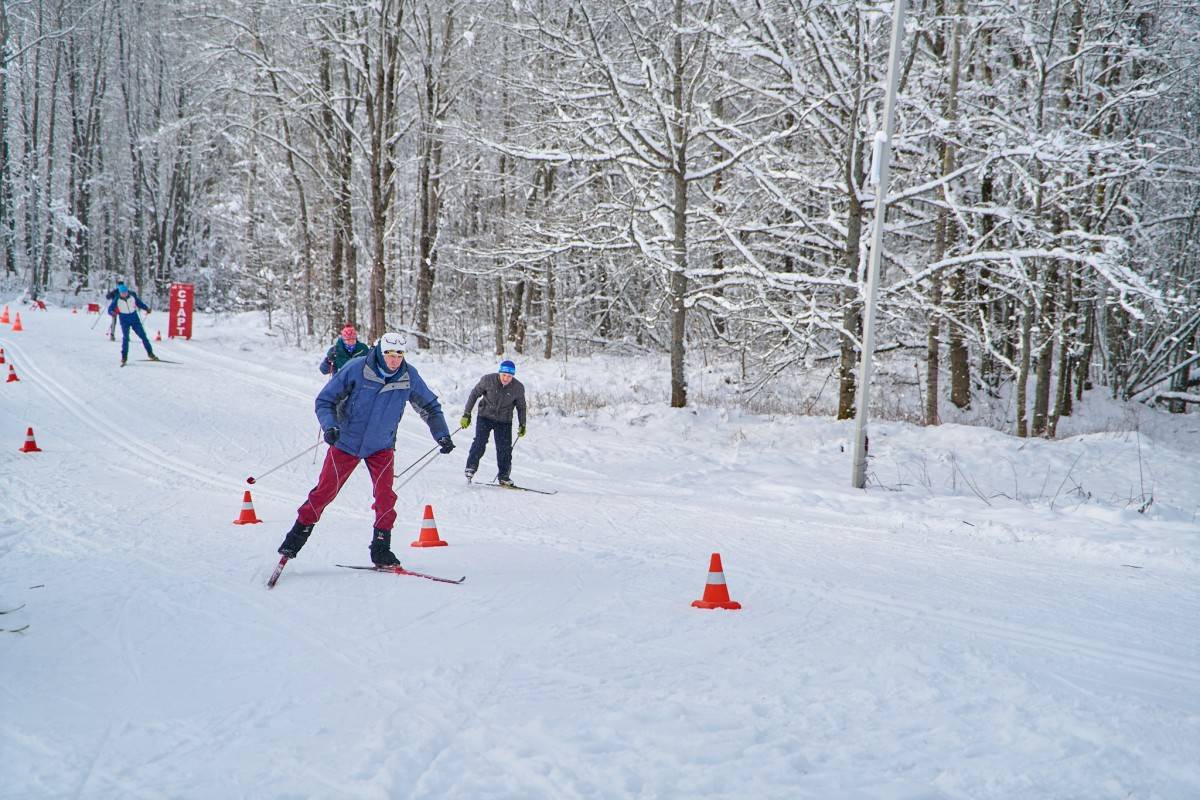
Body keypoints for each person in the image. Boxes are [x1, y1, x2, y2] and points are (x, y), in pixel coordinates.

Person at [277, 332, 455, 567]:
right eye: (390, 355)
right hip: (346, 442)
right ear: (381, 352)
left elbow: (430, 406)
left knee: (385, 497)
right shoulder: (357, 368)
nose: (394, 360)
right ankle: (294, 539)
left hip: (381, 446)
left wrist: (441, 434)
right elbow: (325, 400)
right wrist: (330, 426)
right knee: (325, 492)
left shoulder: (408, 375)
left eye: (399, 355)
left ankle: (381, 549)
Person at [460, 359, 527, 486]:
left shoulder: (518, 388)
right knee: (480, 442)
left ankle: (504, 476)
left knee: (504, 449)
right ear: (499, 373)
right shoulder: (487, 380)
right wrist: (466, 413)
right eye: (504, 375)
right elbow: (474, 394)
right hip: (485, 416)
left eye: (509, 376)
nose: (506, 378)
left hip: (504, 421)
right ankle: (471, 468)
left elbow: (521, 407)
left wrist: (522, 424)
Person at [107, 282, 157, 366]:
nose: (124, 294)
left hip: (135, 319)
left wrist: (146, 308)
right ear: (120, 293)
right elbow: (110, 309)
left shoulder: (132, 296)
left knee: (143, 336)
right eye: (122, 293)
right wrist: (112, 313)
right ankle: (124, 357)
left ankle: (151, 354)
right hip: (124, 320)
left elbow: (139, 303)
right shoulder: (117, 299)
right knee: (126, 338)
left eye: (125, 292)